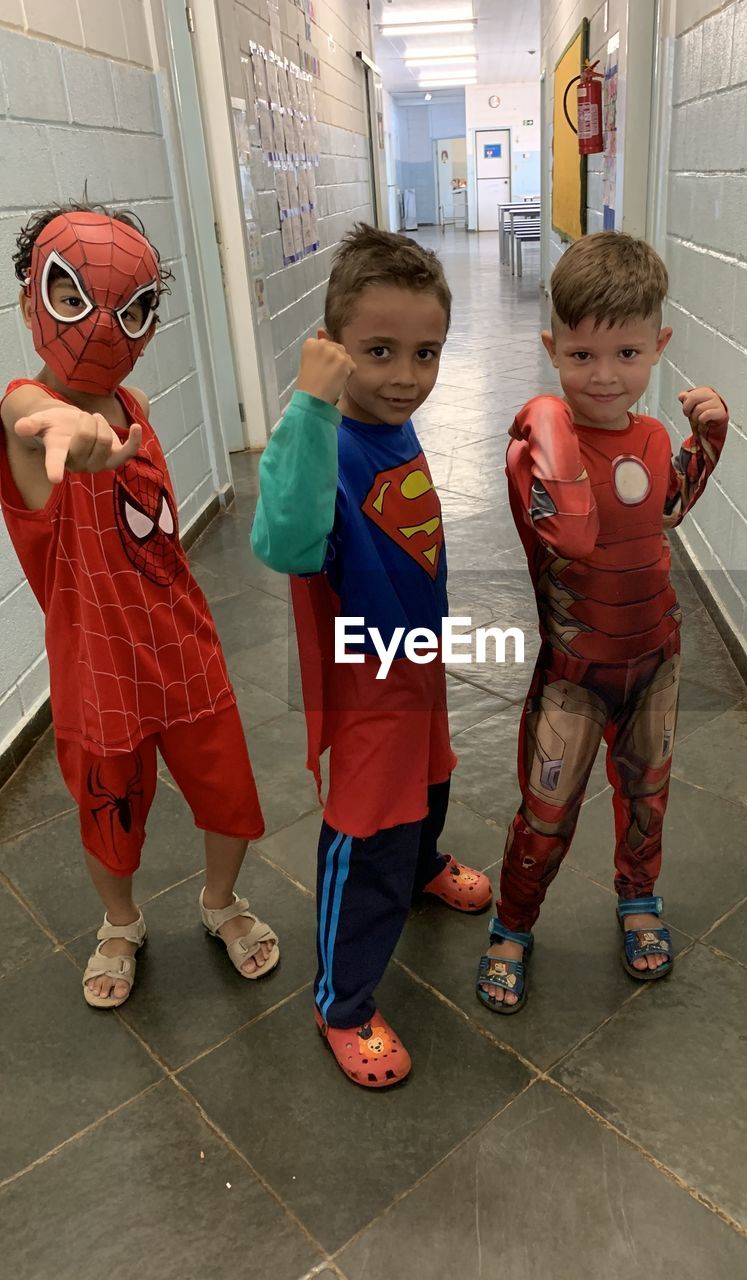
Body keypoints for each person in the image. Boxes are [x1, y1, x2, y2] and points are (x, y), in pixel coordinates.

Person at [0, 204, 278, 1010]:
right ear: (31, 305)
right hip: (98, 672)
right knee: (109, 816)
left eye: (132, 308)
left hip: (185, 651)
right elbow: (27, 415)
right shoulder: (29, 418)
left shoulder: (137, 410)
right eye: (73, 298)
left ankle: (220, 902)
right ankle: (119, 924)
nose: (104, 329)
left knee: (229, 795)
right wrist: (52, 423)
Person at [251, 223, 491, 1087]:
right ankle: (341, 1000)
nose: (406, 378)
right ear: (332, 348)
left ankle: (423, 864)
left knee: (432, 786)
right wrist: (311, 406)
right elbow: (284, 539)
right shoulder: (321, 441)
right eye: (379, 351)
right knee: (368, 837)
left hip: (413, 663)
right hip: (365, 691)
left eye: (426, 353)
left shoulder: (394, 423)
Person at [476, 231, 729, 1012]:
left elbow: (670, 506)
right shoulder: (533, 454)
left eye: (626, 353)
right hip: (575, 673)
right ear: (552, 348)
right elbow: (573, 534)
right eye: (581, 357)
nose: (605, 376)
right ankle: (512, 926)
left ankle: (638, 899)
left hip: (655, 656)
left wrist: (708, 441)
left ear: (659, 346)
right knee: (546, 816)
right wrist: (549, 423)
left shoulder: (652, 438)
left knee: (647, 795)